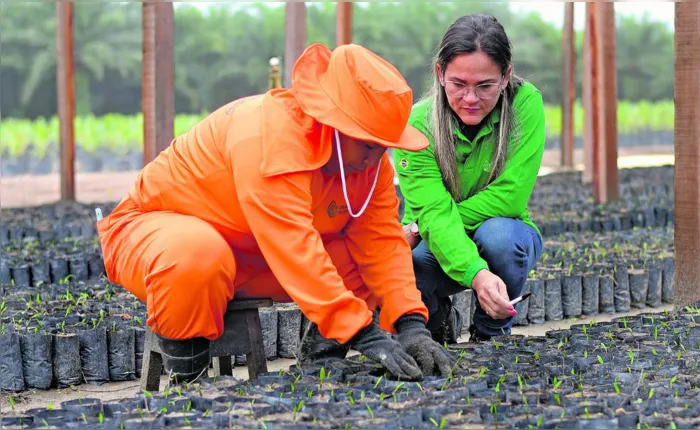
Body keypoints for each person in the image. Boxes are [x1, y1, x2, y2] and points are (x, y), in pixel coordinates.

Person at [96, 43, 453, 384]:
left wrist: (410, 323)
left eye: (384, 147)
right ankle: (189, 380)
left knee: (363, 256)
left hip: (251, 255)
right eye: (369, 144)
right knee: (196, 255)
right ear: (333, 123)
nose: (376, 159)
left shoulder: (367, 165)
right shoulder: (270, 137)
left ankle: (323, 359)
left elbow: (381, 242)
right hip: (153, 234)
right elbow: (294, 247)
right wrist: (365, 334)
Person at [393, 14, 545, 345]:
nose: (471, 99)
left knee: (501, 239)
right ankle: (435, 324)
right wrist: (475, 273)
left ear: (505, 76)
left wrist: (426, 226)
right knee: (406, 265)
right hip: (433, 242)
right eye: (459, 84)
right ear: (440, 74)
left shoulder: (525, 103)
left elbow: (510, 197)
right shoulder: (417, 125)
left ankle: (490, 333)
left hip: (487, 231)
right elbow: (431, 209)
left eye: (485, 85)